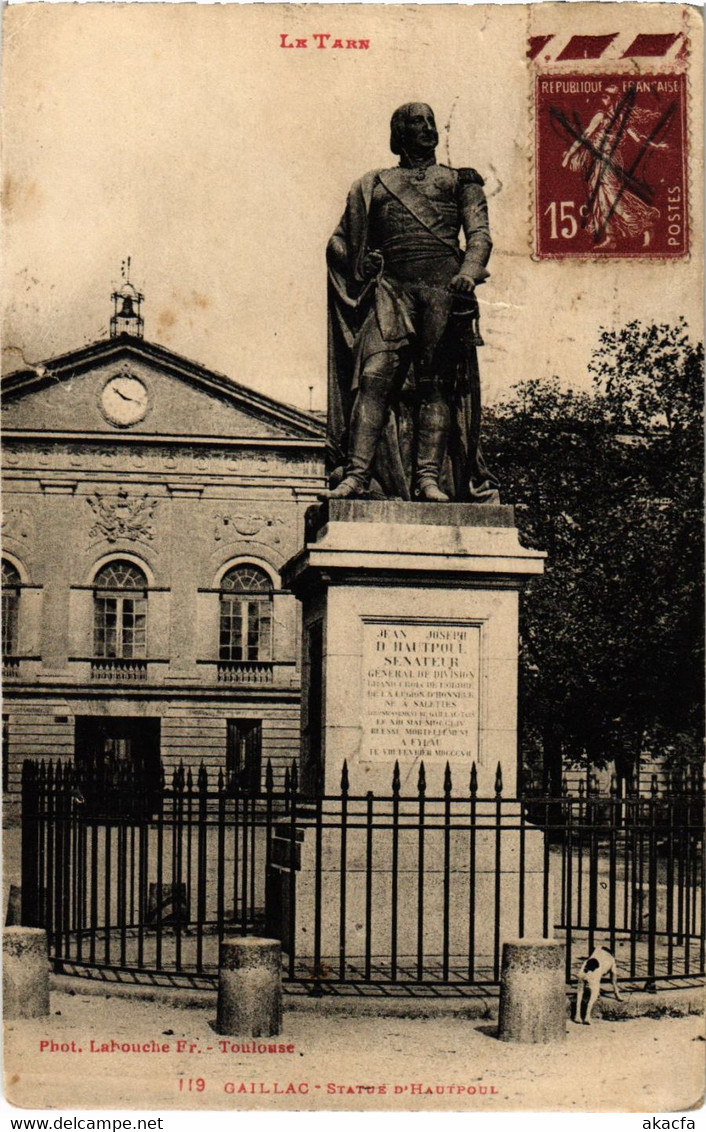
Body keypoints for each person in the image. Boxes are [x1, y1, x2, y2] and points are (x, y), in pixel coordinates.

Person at [325, 102, 498, 503]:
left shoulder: (460, 181)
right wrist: (360, 262)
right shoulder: (372, 185)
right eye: (417, 122)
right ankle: (356, 476)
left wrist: (468, 274)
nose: (427, 129)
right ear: (399, 132)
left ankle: (428, 479)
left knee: (435, 385)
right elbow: (339, 241)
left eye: (431, 122)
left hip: (443, 289)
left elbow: (480, 236)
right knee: (374, 378)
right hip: (391, 290)